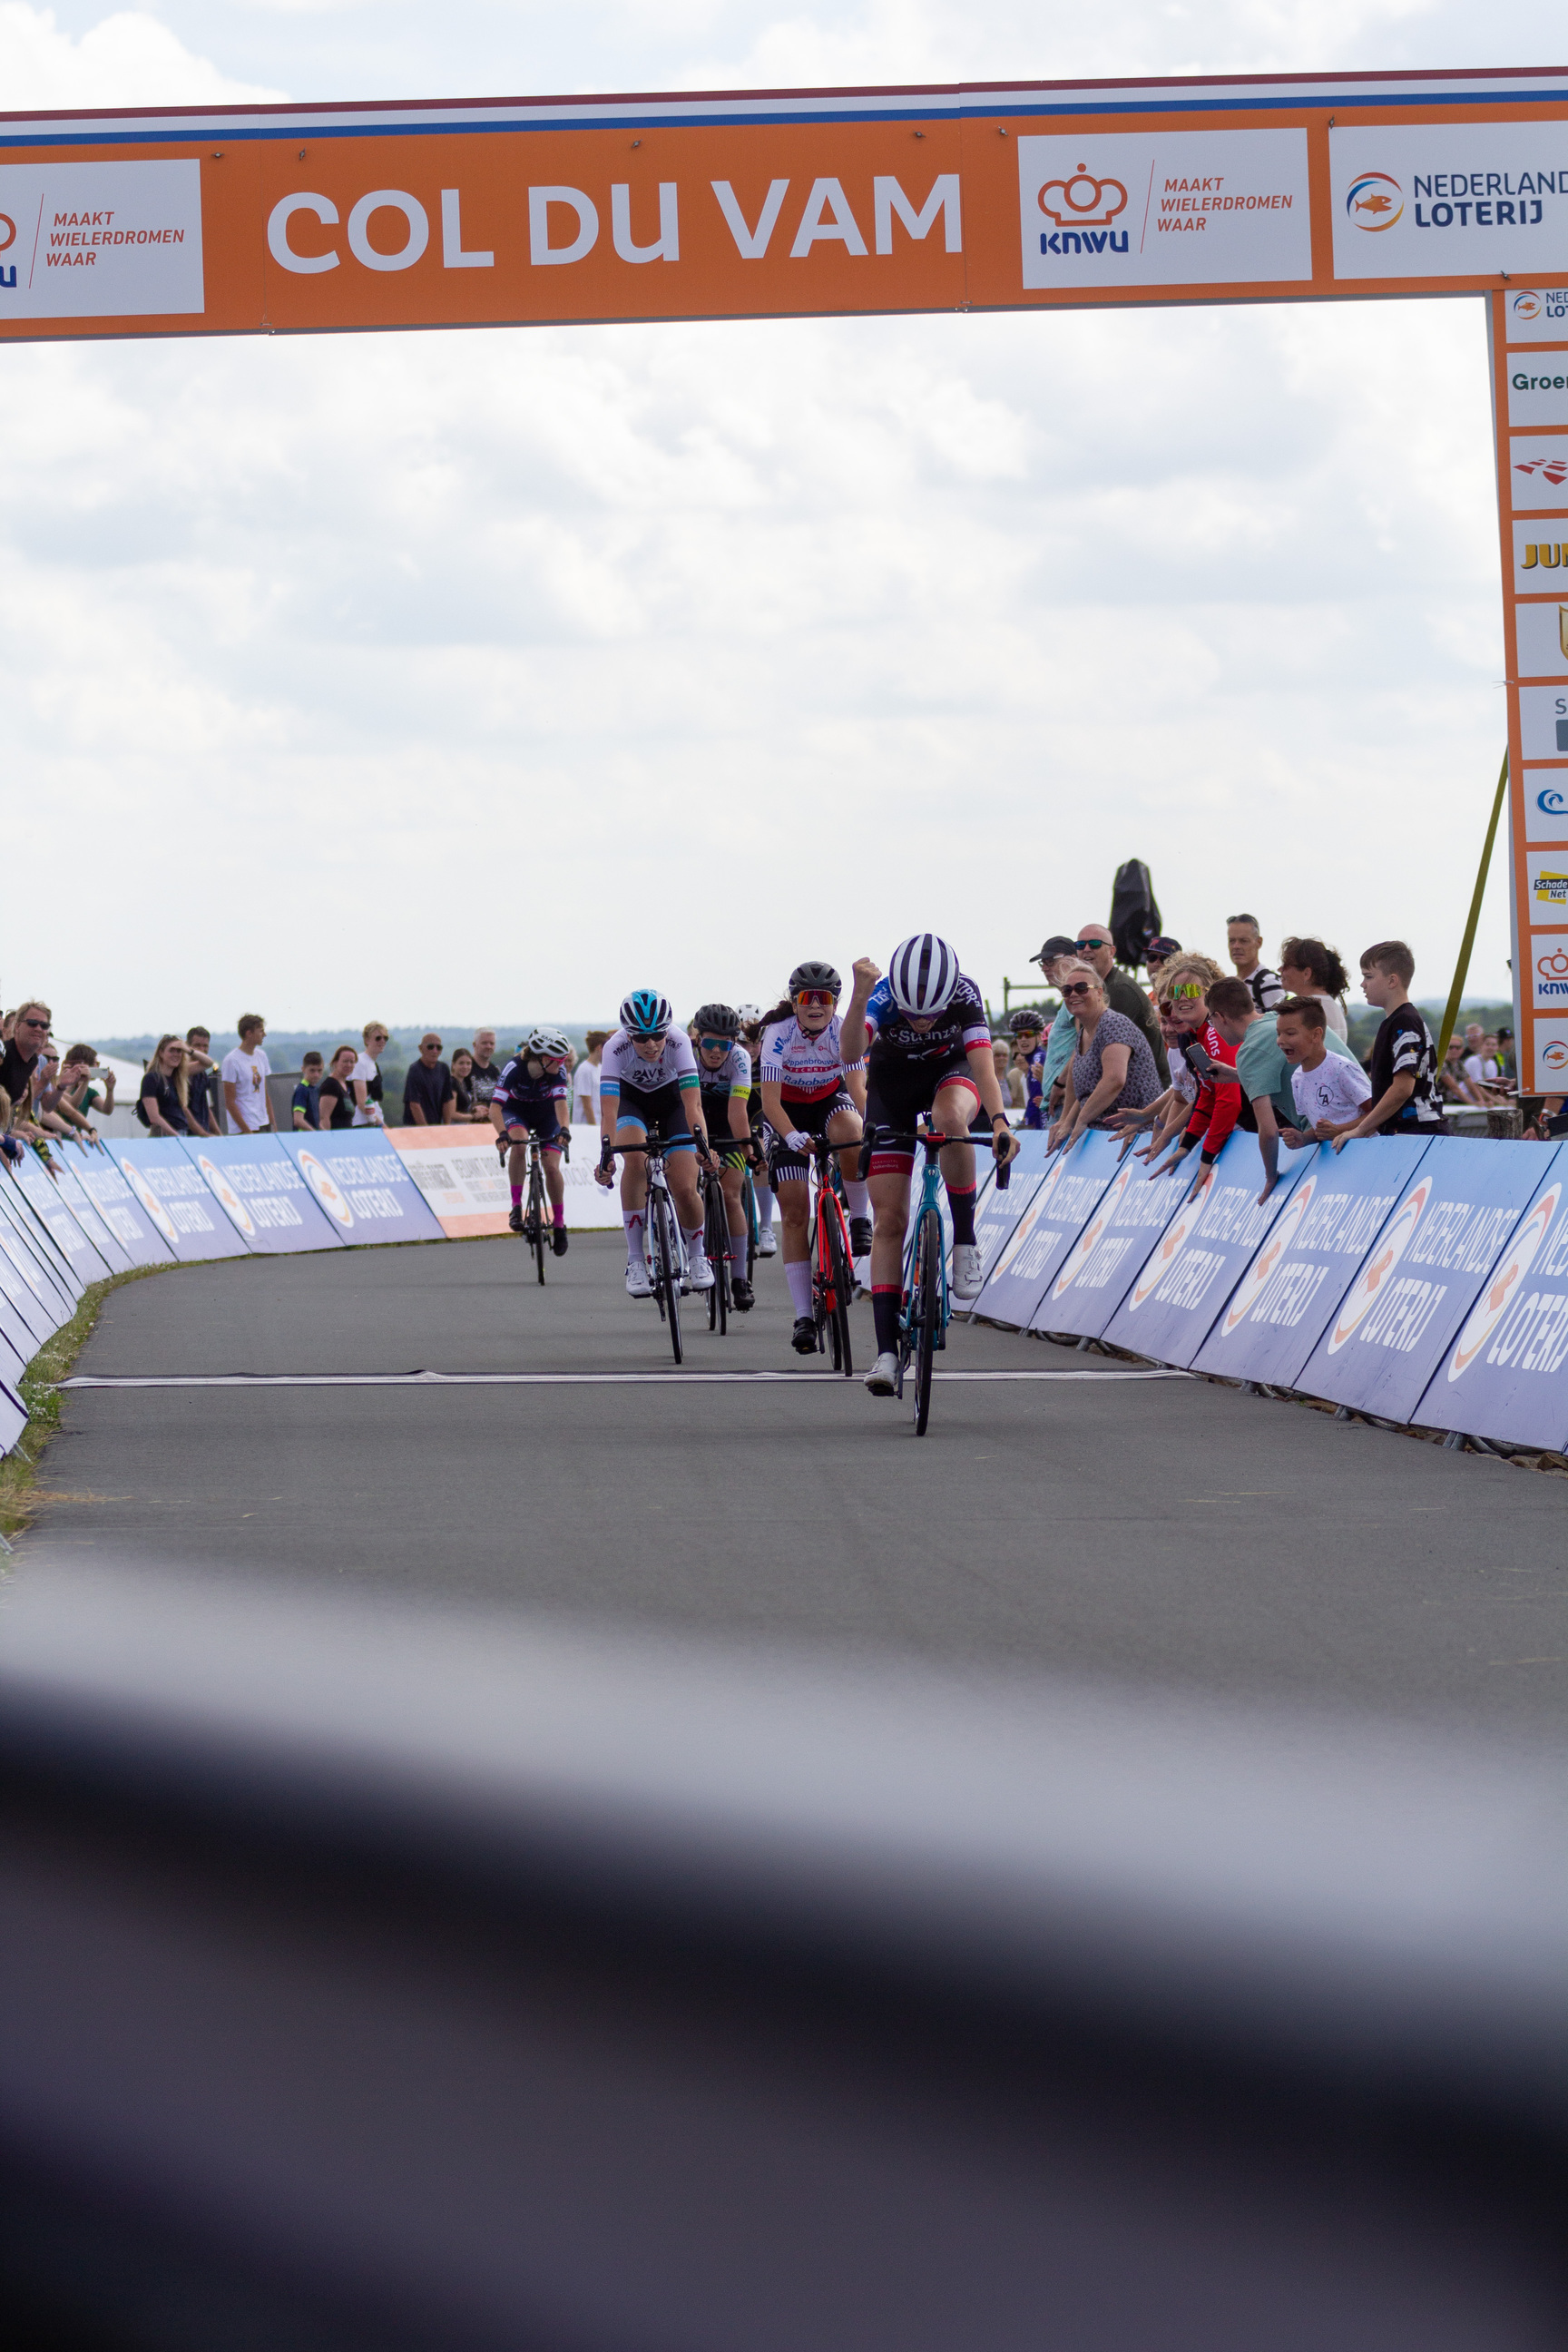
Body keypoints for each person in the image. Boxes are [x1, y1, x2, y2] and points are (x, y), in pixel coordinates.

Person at [841, 935, 1019, 1397]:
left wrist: (999, 1120)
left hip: (949, 1074)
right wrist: (860, 995)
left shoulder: (964, 992)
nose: (922, 1023)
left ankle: (964, 1240)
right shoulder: (881, 995)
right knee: (889, 1222)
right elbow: (848, 1055)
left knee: (950, 1118)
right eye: (914, 1014)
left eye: (931, 1014)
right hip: (892, 1088)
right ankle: (886, 1353)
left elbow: (983, 1066)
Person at [758, 961, 875, 1357]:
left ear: (834, 1003)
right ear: (795, 1002)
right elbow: (769, 1102)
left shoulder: (845, 1030)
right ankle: (804, 1315)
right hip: (787, 1113)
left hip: (829, 1100)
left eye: (823, 999)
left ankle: (859, 1216)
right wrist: (791, 1136)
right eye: (807, 998)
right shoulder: (777, 1034)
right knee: (793, 1212)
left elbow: (857, 1090)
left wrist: (872, 1127)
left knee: (852, 1130)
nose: (815, 1006)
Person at [593, 991, 713, 1294]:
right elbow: (608, 1110)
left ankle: (698, 1256)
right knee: (635, 1160)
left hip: (673, 1102)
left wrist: (702, 1147)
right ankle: (635, 1260)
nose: (651, 1044)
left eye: (657, 1035)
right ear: (628, 1034)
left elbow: (693, 1106)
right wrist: (606, 1152)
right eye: (641, 1037)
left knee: (685, 1186)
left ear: (667, 1030)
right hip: (631, 1103)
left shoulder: (679, 1042)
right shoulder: (615, 1047)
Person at [1207, 975, 1359, 1201]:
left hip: (1335, 1136)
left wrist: (1270, 1176)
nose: (1214, 1027)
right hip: (1363, 1121)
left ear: (1220, 1017)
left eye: (1211, 1021)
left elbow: (1268, 1132)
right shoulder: (1279, 1022)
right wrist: (1236, 1076)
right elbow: (1279, 1072)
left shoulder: (1250, 1050)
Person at [1329, 941, 1443, 1149]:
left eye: (1368, 976)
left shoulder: (1404, 1022)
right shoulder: (1395, 1022)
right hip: (1407, 1134)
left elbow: (1402, 1088)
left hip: (1415, 1134)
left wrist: (1360, 1129)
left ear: (1392, 981)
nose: (1363, 984)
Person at [1049, 963, 1162, 1148]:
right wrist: (1066, 1122)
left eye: (1082, 988)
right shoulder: (1084, 1033)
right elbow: (1087, 1094)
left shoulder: (1113, 1025)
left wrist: (1081, 1121)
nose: (1074, 994)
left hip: (1135, 1136)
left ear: (1100, 992)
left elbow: (1114, 1080)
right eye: (1067, 990)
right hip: (1105, 1137)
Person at [691, 1003, 757, 1311]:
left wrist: (747, 1149)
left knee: (732, 1195)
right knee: (686, 1189)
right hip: (691, 1124)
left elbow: (737, 1111)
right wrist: (700, 1148)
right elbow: (682, 1111)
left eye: (725, 1044)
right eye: (709, 1043)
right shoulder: (686, 1058)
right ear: (697, 1038)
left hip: (728, 1125)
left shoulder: (740, 1058)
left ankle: (740, 1278)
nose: (717, 1052)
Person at [492, 1026, 573, 1252]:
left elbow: (561, 1104)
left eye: (564, 1059)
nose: (562, 1064)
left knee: (551, 1166)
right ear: (542, 1058)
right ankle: (516, 1207)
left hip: (548, 1115)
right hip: (517, 1112)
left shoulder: (558, 1071)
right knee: (518, 1146)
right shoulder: (514, 1068)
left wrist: (564, 1128)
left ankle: (559, 1225)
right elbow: (495, 1108)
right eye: (558, 1060)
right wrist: (502, 1134)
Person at [1066, 922, 1170, 1085]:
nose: (1086, 949)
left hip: (1145, 1095)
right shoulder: (1096, 990)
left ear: (1111, 951)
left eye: (1095, 944)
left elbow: (1101, 1063)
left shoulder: (1119, 990)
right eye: (1080, 945)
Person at [1275, 996, 1373, 1143]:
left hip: (1363, 1152)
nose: (1280, 1040)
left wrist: (1340, 1130)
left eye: (1290, 1033)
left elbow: (1377, 1114)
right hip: (1335, 1159)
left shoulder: (1341, 1069)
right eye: (1278, 1033)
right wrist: (1302, 1139)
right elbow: (1321, 1129)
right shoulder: (1297, 1079)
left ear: (1316, 1035)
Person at [737, 1004, 778, 1258]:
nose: (752, 1050)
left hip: (761, 1109)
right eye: (745, 1044)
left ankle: (766, 1226)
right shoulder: (729, 1055)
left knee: (761, 1151)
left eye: (756, 1043)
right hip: (737, 1106)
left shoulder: (770, 1054)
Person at [1278, 937, 1350, 1040]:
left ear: (1306, 973)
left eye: (1286, 965)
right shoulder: (1329, 1005)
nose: (1280, 969)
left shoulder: (1307, 1010)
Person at [221, 1015, 272, 1134]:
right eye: (261, 1031)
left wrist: (272, 1124)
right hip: (243, 1128)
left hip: (262, 1123)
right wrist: (247, 1131)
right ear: (249, 1033)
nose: (264, 1034)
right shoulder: (232, 1060)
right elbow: (229, 1102)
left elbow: (265, 1094)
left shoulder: (262, 1056)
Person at [1227, 915, 1286, 1014]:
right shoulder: (1230, 985)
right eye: (1232, 941)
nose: (1236, 946)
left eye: (1243, 941)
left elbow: (1282, 1023)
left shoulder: (1268, 982)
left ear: (1259, 942)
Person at [0, 1001, 51, 1113]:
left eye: (44, 1025)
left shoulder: (32, 1061)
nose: (38, 1029)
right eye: (32, 1023)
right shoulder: (3, 1055)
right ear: (17, 1027)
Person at [140, 1034, 194, 1137]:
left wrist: (188, 1050)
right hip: (163, 1136)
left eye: (179, 1051)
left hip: (181, 1132)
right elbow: (154, 1117)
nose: (176, 1054)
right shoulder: (151, 1079)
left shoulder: (177, 1079)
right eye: (171, 1050)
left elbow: (207, 1063)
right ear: (161, 1053)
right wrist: (177, 1136)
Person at [403, 1034, 456, 1127]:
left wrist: (447, 1126)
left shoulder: (443, 1069)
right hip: (416, 1127)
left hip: (436, 1125)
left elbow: (447, 1101)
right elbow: (414, 1104)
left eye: (438, 1047)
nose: (435, 1051)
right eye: (430, 1047)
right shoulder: (415, 1070)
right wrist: (426, 1130)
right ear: (421, 1048)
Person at [183, 1027, 220, 1134]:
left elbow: (206, 1107)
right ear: (188, 1046)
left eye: (205, 1046)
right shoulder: (181, 1071)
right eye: (197, 1045)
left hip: (203, 1130)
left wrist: (219, 1133)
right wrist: (203, 1134)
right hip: (187, 1133)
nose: (202, 1049)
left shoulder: (202, 1073)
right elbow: (184, 1110)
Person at [351, 1024, 388, 1126]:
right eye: (378, 1038)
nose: (382, 1041)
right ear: (367, 1040)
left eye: (385, 1038)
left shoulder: (372, 1064)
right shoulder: (361, 1062)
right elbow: (362, 1103)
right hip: (362, 1123)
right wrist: (381, 1124)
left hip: (372, 1121)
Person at [317, 1044, 358, 1131]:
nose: (349, 1065)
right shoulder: (331, 1085)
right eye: (345, 1061)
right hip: (335, 1138)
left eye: (352, 1062)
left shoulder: (345, 1085)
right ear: (335, 1062)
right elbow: (323, 1118)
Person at [570, 1030, 606, 1127]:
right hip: (585, 1127)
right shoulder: (584, 1070)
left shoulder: (600, 1068)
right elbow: (587, 1105)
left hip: (599, 1125)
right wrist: (594, 1128)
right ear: (599, 1048)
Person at [467, 1029, 504, 1112]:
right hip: (471, 1123)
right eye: (484, 1043)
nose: (488, 1046)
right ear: (474, 1045)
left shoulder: (496, 1070)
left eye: (492, 1043)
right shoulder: (466, 1069)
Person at [449, 1046, 487, 1122]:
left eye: (468, 1063)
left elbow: (461, 1108)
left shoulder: (462, 1083)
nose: (465, 1067)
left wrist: (475, 1109)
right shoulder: (452, 1083)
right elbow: (451, 1114)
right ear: (453, 1065)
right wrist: (474, 1116)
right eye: (461, 1063)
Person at [291, 1052, 325, 1131]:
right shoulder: (302, 1090)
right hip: (303, 1139)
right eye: (312, 1070)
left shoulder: (316, 1089)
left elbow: (315, 1121)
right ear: (303, 1069)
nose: (316, 1075)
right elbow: (298, 1120)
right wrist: (315, 1133)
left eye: (319, 1071)